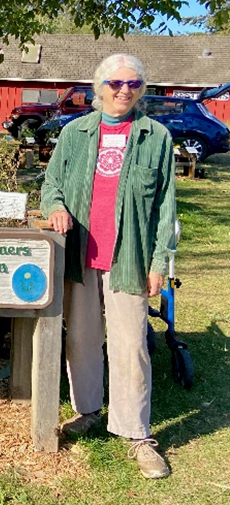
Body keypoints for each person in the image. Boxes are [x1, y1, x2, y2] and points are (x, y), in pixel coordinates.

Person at [40, 53, 176, 479]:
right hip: (81, 257)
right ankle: (88, 410)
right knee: (81, 340)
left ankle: (136, 433)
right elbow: (51, 185)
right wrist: (57, 207)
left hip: (130, 259)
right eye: (116, 83)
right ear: (99, 88)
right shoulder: (74, 133)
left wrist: (159, 262)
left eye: (134, 84)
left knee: (130, 345)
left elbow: (166, 208)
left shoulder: (156, 137)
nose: (124, 91)